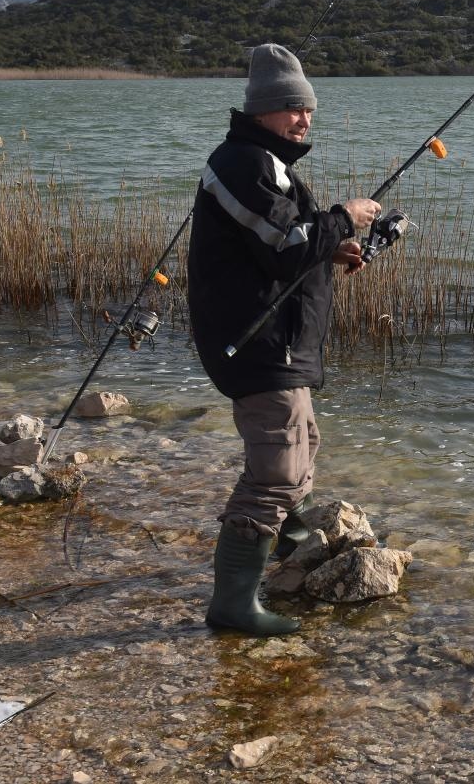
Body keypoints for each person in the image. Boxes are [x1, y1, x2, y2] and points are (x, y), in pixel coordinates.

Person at [188, 42, 381, 636]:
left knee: (303, 444)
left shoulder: (267, 164)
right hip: (258, 346)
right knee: (274, 472)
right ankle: (233, 605)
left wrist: (335, 247)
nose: (304, 120)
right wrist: (346, 217)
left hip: (279, 347)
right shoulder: (242, 161)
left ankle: (286, 542)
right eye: (294, 110)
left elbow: (287, 245)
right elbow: (284, 245)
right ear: (262, 111)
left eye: (310, 112)